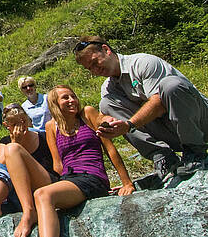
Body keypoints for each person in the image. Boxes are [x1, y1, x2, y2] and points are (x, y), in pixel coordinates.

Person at [31, 85, 135, 237]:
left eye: (72, 96)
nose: (71, 100)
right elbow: (57, 165)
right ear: (54, 104)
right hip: (72, 178)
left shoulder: (87, 114)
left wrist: (127, 183)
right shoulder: (52, 127)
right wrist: (64, 189)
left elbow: (110, 149)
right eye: (64, 98)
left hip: (92, 176)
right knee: (44, 196)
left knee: (42, 194)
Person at [73, 36, 208, 181]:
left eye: (95, 62)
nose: (95, 70)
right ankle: (163, 157)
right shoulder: (108, 88)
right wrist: (107, 121)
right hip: (171, 131)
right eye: (89, 68)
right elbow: (103, 113)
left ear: (106, 50)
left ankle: (195, 151)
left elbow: (159, 102)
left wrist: (129, 125)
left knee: (171, 85)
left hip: (200, 124)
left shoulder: (143, 62)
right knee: (106, 104)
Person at [0, 104, 59, 237]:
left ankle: (29, 212)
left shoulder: (43, 136)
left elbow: (57, 165)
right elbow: (0, 169)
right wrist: (16, 142)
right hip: (20, 190)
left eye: (23, 121)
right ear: (7, 125)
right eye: (15, 123)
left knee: (13, 149)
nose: (21, 126)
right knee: (12, 149)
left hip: (46, 182)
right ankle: (26, 209)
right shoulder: (5, 143)